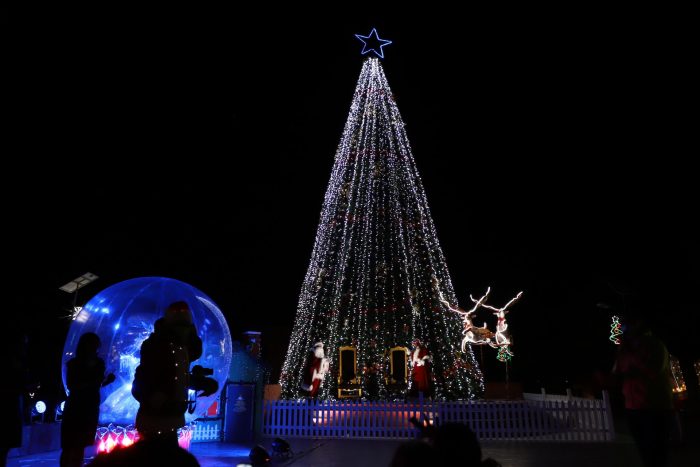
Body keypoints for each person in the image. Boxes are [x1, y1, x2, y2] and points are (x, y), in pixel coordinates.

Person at [132, 301, 203, 447]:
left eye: (187, 327)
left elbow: (194, 353)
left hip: (171, 413)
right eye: (182, 327)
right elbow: (149, 375)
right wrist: (154, 396)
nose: (185, 331)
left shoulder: (181, 348)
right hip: (156, 414)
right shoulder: (157, 344)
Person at [613, 315, 673, 467]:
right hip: (633, 409)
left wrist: (630, 357)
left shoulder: (655, 346)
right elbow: (616, 373)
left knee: (657, 453)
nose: (624, 331)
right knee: (644, 452)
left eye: (627, 327)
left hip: (655, 407)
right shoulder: (625, 351)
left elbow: (653, 371)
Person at [60, 332, 116, 467]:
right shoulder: (78, 364)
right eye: (94, 345)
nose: (95, 348)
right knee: (72, 445)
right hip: (80, 406)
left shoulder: (87, 364)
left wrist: (103, 381)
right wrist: (100, 381)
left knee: (76, 445)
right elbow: (75, 384)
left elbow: (87, 384)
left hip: (85, 406)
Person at [0, 332, 27, 467]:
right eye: (23, 344)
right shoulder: (12, 364)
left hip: (11, 411)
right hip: (7, 412)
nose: (25, 347)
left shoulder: (15, 363)